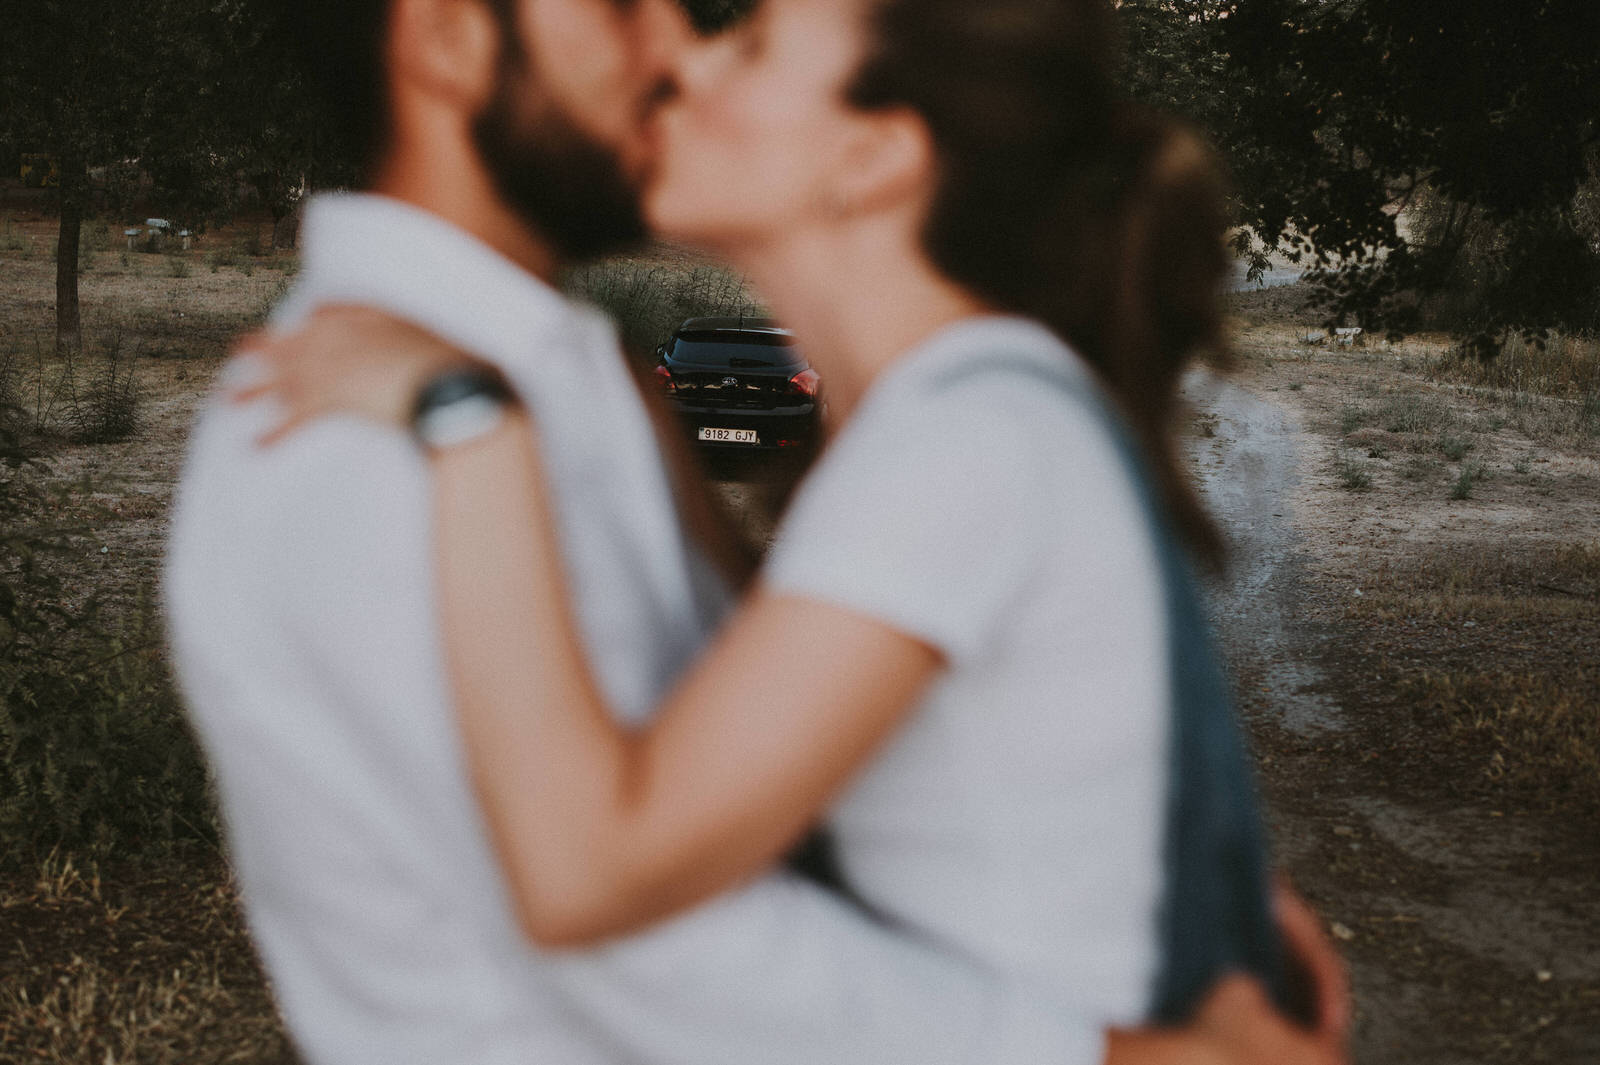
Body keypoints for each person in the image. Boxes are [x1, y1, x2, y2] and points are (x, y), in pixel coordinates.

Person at [169, 0, 1345, 1062]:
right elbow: (629, 930)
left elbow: (754, 790)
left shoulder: (574, 396)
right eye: (626, 6)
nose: (679, 49)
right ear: (448, 38)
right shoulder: (342, 427)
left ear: (878, 152)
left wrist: (1183, 886)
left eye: (744, 36)